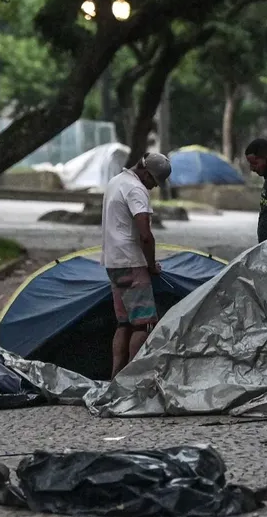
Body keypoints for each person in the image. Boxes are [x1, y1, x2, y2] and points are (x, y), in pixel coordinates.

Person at [101, 151, 173, 377]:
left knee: (124, 324)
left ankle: (116, 377)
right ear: (146, 173)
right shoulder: (136, 189)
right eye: (155, 181)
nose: (154, 186)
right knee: (143, 324)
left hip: (113, 262)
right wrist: (151, 265)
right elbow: (145, 235)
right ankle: (131, 380)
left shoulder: (116, 181)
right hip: (132, 263)